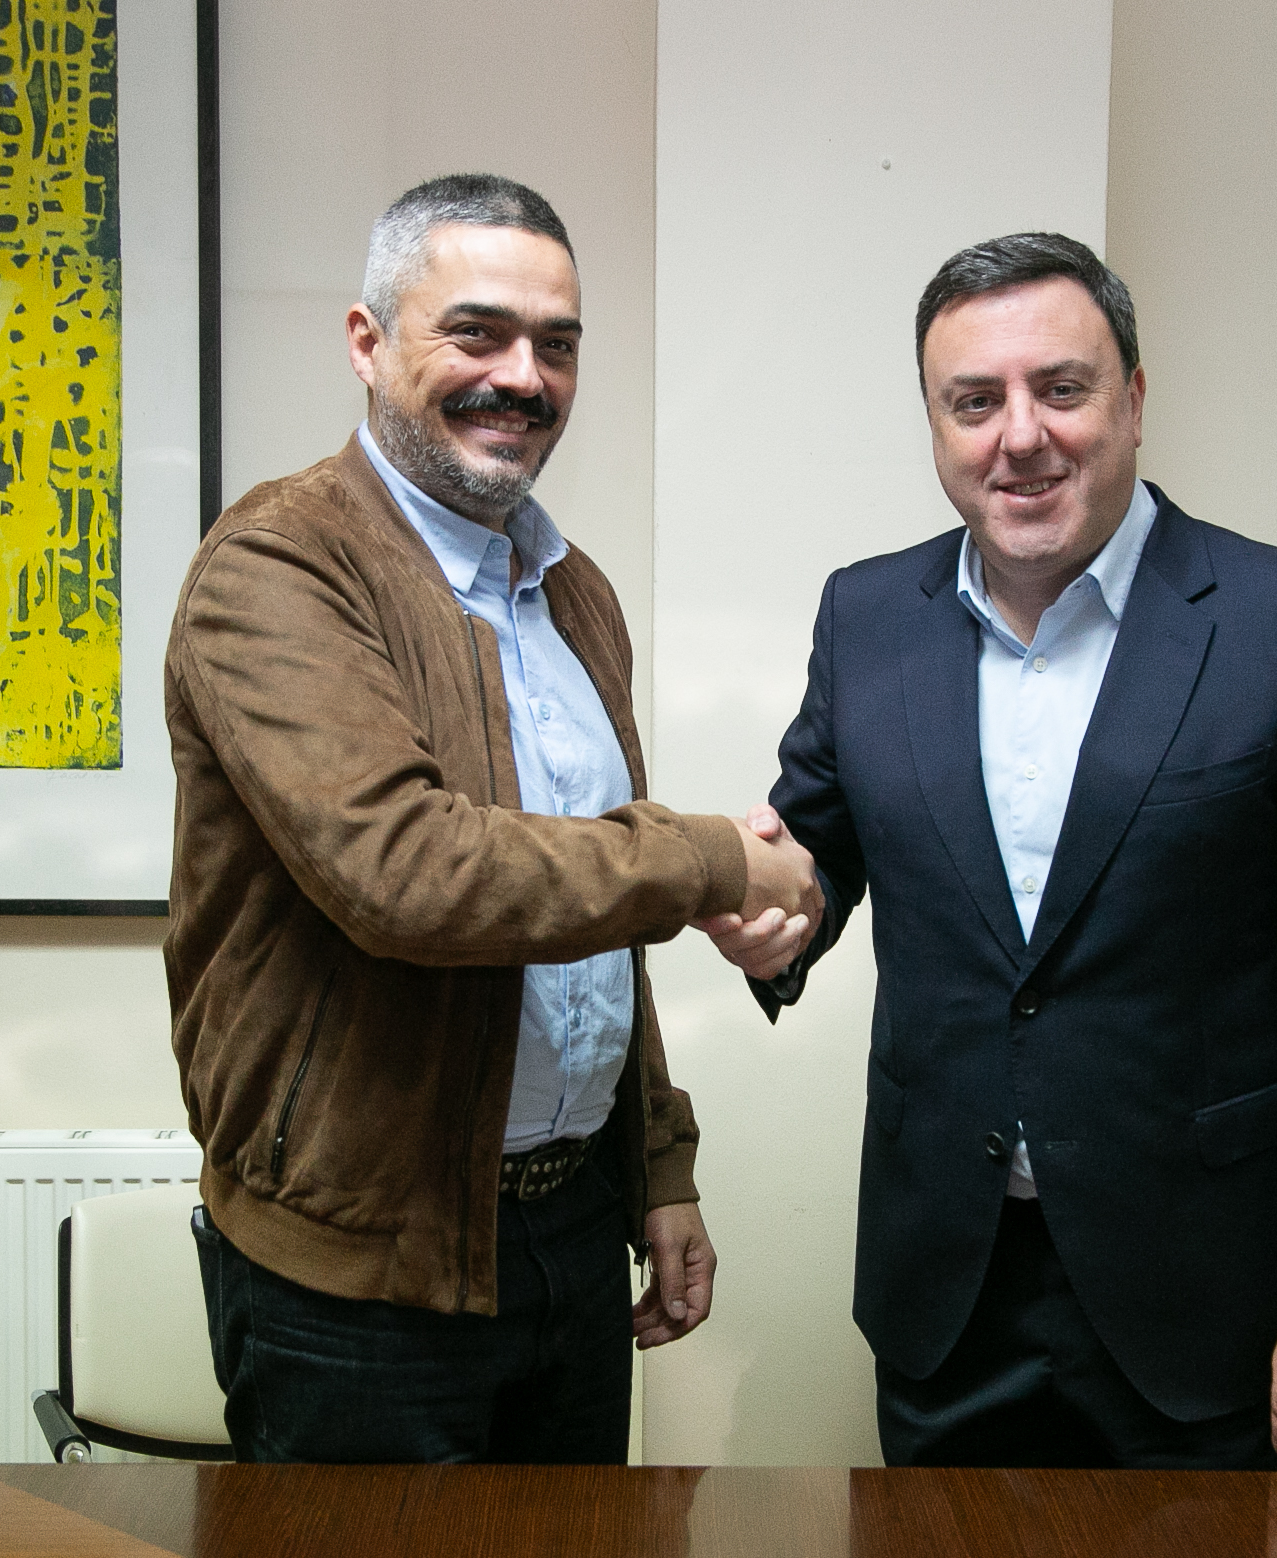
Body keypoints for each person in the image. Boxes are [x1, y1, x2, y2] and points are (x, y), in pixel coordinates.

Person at [700, 232, 1277, 1470]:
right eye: (974, 401)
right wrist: (772, 914)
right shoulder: (868, 616)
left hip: (1211, 1305)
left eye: (1061, 388)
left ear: (1135, 401)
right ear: (936, 423)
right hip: (948, 1296)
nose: (1021, 435)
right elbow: (815, 850)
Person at [164, 174, 819, 1464]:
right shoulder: (276, 567)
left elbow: (587, 917)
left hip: (570, 1235)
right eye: (477, 332)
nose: (523, 376)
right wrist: (712, 860)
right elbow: (410, 874)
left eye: (555, 344)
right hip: (360, 1276)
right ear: (368, 342)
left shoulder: (574, 594)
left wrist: (659, 1166)